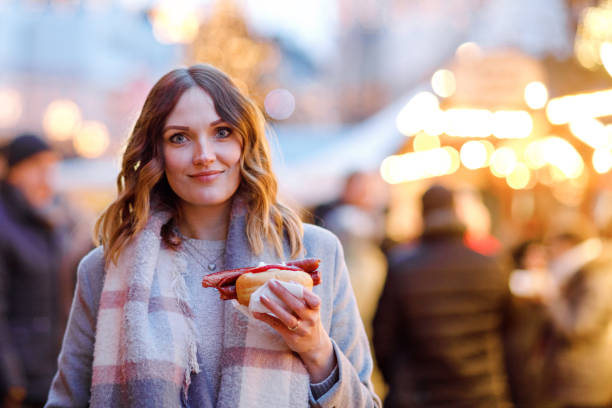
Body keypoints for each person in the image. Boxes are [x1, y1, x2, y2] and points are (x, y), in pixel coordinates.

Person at [45, 64, 380, 408]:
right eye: (180, 137)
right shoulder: (105, 268)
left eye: (222, 132)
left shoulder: (313, 252)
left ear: (245, 141)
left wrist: (316, 349)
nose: (204, 155)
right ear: (155, 153)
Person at [373, 184, 512, 408]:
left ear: (422, 214)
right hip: (482, 394)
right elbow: (510, 332)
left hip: (419, 395)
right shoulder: (491, 265)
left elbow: (383, 337)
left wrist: (398, 382)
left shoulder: (402, 266)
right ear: (456, 210)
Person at [0, 134, 63, 408]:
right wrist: (11, 383)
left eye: (50, 167)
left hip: (46, 373)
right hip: (18, 383)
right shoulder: (5, 225)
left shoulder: (44, 219)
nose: (45, 177)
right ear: (14, 171)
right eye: (37, 167)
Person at [541, 213, 612, 408]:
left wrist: (552, 297)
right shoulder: (579, 271)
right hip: (576, 374)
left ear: (568, 245)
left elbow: (578, 327)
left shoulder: (597, 275)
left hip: (587, 376)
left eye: (553, 246)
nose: (551, 253)